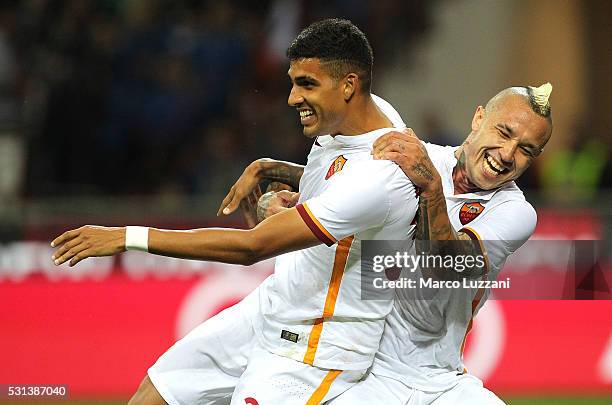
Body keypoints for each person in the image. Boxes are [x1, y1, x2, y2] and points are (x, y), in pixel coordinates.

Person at [51, 18, 418, 404]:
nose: (293, 98)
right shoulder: (360, 116)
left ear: (349, 85)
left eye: (307, 85)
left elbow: (251, 248)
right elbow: (335, 178)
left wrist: (127, 237)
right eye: (293, 82)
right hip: (274, 307)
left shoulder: (380, 173)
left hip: (315, 348)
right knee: (155, 392)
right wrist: (270, 167)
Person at [225, 83, 554, 404]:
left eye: (527, 150)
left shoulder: (515, 212)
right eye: (505, 133)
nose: (508, 154)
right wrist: (273, 176)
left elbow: (449, 267)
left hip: (440, 379)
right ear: (479, 118)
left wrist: (430, 187)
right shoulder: (421, 158)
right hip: (366, 372)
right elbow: (342, 184)